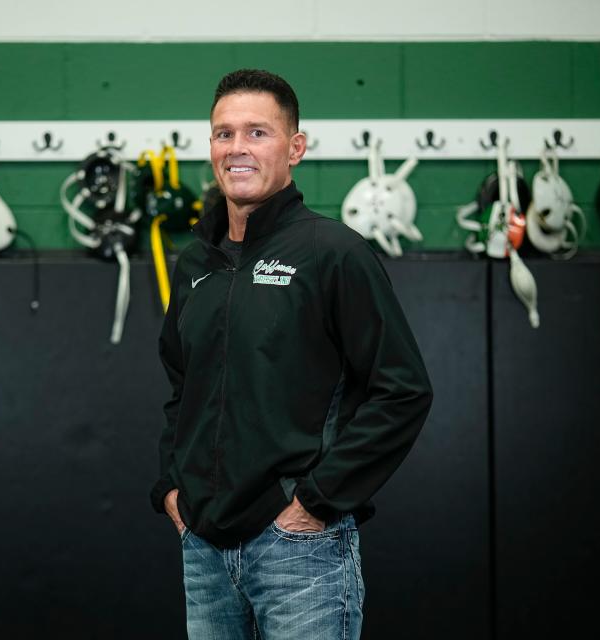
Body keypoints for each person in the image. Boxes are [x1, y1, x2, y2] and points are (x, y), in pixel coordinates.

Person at [149, 68, 433, 640]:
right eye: (223, 134)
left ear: (295, 147)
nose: (237, 149)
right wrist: (174, 491)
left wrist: (315, 502)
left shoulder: (333, 253)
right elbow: (184, 389)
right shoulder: (195, 265)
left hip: (298, 547)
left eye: (258, 132)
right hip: (204, 548)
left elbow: (402, 390)